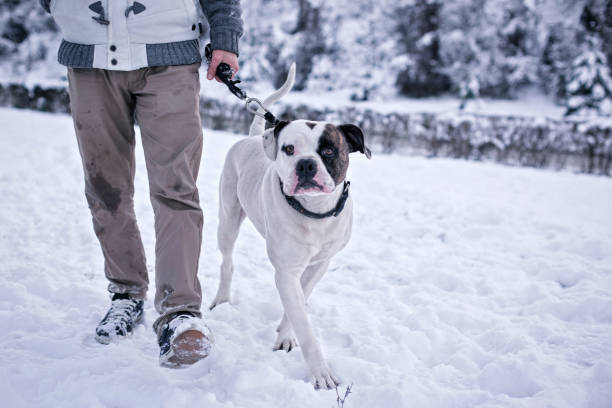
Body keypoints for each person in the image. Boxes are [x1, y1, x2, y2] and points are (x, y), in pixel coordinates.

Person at [39, 0, 243, 366]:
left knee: (176, 188)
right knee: (106, 187)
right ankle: (126, 294)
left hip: (169, 56)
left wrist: (225, 38)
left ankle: (179, 311)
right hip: (89, 57)